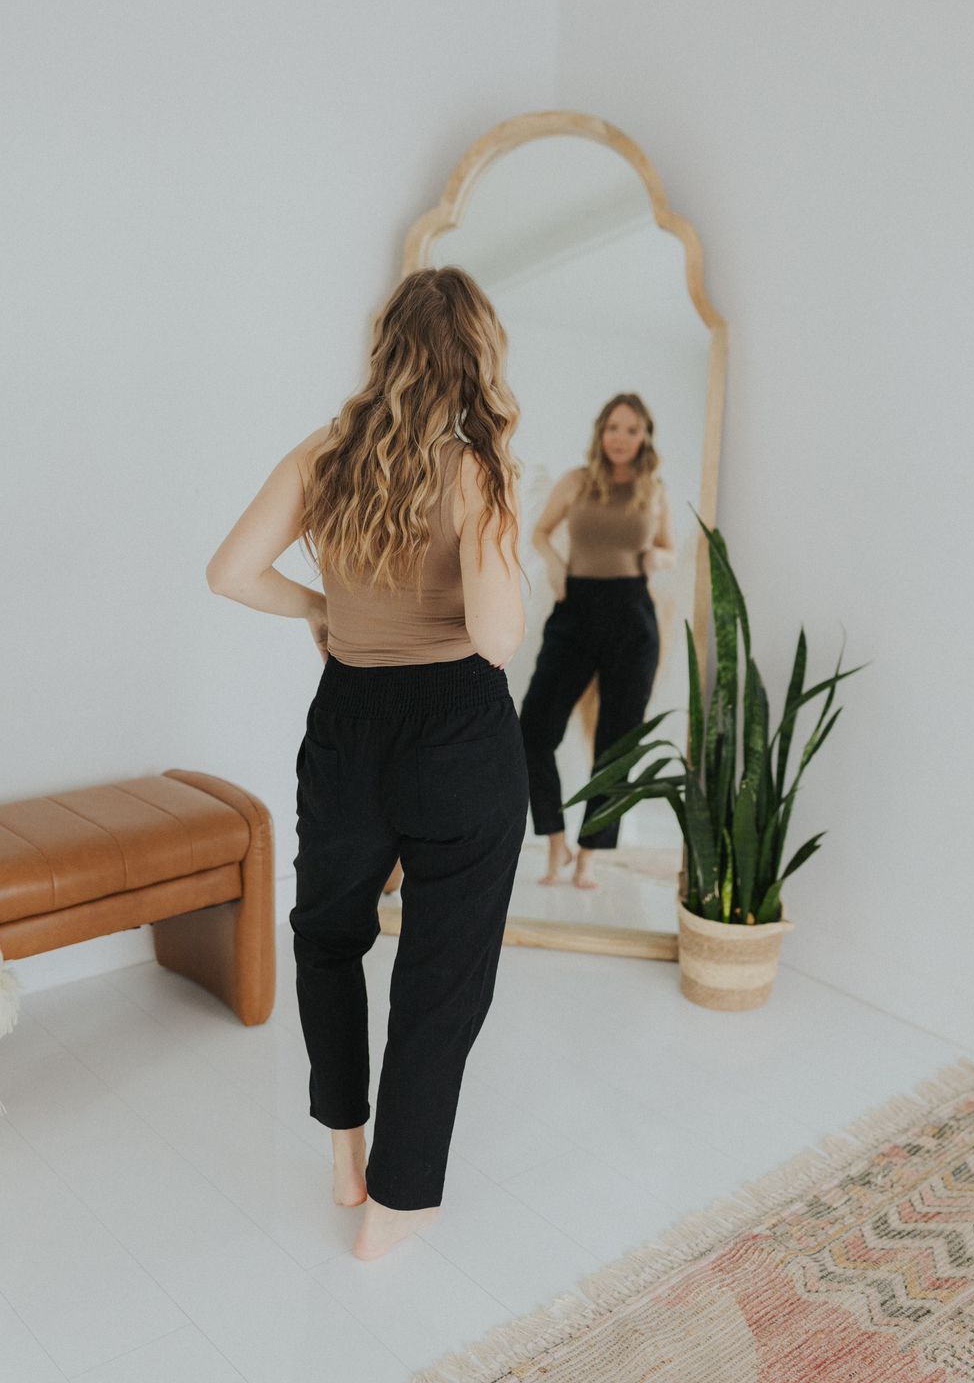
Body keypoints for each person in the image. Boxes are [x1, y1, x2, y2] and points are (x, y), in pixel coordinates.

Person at [205, 266, 529, 1261]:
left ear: (384, 348)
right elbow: (497, 637)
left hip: (347, 719)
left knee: (327, 933)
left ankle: (346, 1157)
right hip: (458, 733)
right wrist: (500, 518)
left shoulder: (323, 454)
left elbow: (230, 572)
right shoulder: (474, 472)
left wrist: (322, 608)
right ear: (476, 358)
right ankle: (396, 1203)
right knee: (442, 969)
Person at [519, 393, 675, 890]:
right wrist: (555, 563)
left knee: (617, 744)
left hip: (632, 616)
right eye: (613, 427)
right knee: (532, 731)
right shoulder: (576, 481)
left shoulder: (653, 491)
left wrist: (657, 558)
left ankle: (589, 855)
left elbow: (668, 550)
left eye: (631, 429)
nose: (621, 438)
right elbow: (540, 532)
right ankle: (555, 841)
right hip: (575, 612)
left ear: (644, 436)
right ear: (600, 431)